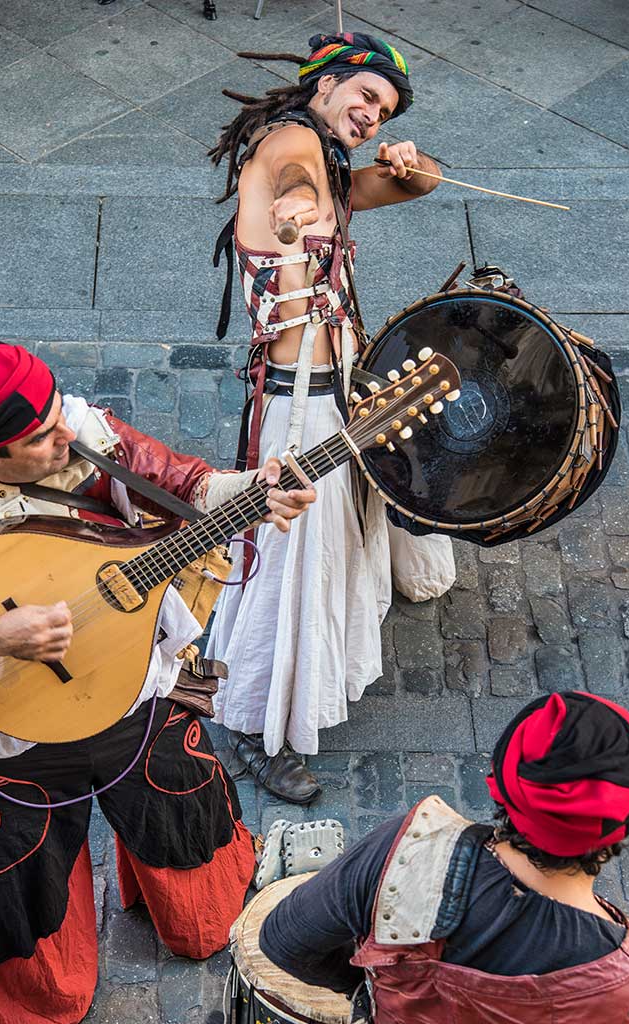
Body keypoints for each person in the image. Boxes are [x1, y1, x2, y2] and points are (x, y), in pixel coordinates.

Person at [0, 338, 315, 1024]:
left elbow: (187, 485)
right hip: (17, 732)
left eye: (54, 415)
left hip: (130, 685)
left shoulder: (75, 428)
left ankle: (196, 912)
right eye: (40, 437)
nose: (64, 434)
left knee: (177, 799)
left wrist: (263, 487)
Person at [260, 691, 629, 1024]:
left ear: (502, 784)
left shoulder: (400, 851)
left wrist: (372, 992)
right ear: (620, 827)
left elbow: (284, 939)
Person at [208, 31, 457, 805]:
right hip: (297, 401)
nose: (372, 117)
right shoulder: (291, 144)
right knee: (287, 558)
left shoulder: (331, 155)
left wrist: (414, 166)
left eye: (382, 111)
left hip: (330, 377)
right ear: (327, 81)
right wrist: (294, 203)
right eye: (366, 97)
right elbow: (291, 177)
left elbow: (419, 188)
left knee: (334, 528)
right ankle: (251, 721)